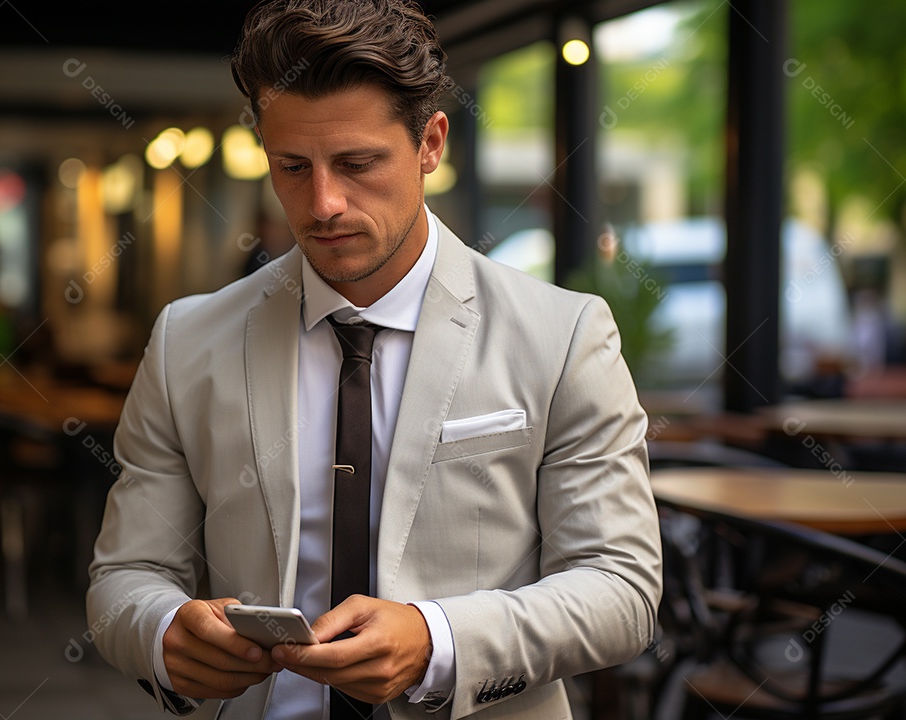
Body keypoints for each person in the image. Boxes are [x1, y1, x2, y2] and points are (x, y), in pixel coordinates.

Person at [87, 1, 662, 718]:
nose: (323, 203)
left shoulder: (564, 334)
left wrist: (438, 640)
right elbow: (125, 576)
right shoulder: (187, 342)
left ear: (431, 144)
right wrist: (163, 631)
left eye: (357, 164)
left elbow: (620, 588)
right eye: (292, 166)